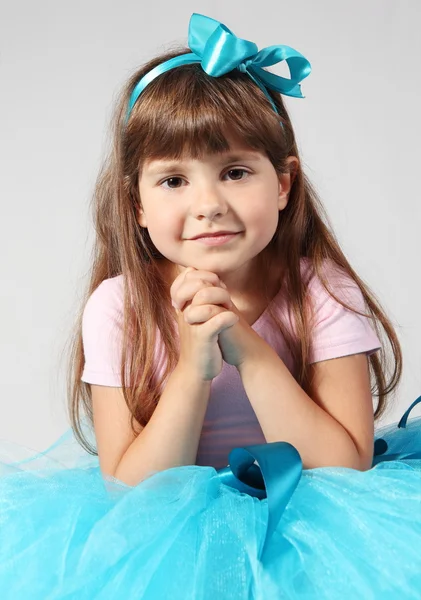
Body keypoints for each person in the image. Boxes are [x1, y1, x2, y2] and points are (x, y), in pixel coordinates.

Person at [1, 12, 421, 599]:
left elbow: (345, 466)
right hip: (170, 538)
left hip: (309, 525)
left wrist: (246, 348)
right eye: (173, 181)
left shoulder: (322, 289)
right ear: (137, 203)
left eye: (235, 172)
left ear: (282, 183)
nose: (209, 204)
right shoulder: (120, 307)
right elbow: (132, 490)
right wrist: (195, 368)